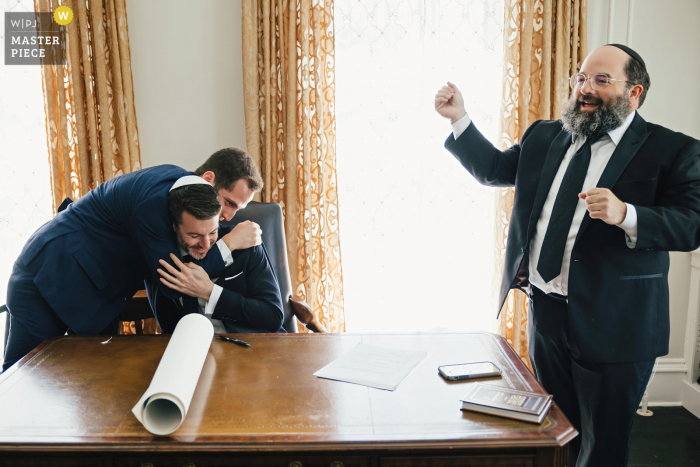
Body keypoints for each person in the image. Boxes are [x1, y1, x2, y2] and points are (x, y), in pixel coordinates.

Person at [434, 45, 700, 467]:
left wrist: (627, 215)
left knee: (602, 447)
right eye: (580, 77)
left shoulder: (672, 150)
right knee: (557, 433)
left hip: (618, 323)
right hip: (548, 313)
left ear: (635, 93)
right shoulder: (545, 134)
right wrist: (459, 119)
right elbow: (495, 170)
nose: (584, 89)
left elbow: (691, 225)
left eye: (600, 80)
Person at [3, 147, 263, 372]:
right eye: (228, 202)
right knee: (22, 379)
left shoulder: (178, 193)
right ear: (208, 179)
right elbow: (175, 282)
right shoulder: (156, 203)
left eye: (237, 209)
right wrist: (229, 244)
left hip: (92, 292)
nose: (229, 216)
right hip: (48, 275)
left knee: (92, 387)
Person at [146, 182, 284, 334]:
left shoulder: (246, 244)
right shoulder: (156, 255)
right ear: (174, 225)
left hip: (252, 347)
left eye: (212, 232)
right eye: (194, 235)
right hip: (189, 349)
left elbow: (273, 317)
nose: (205, 245)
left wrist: (209, 292)